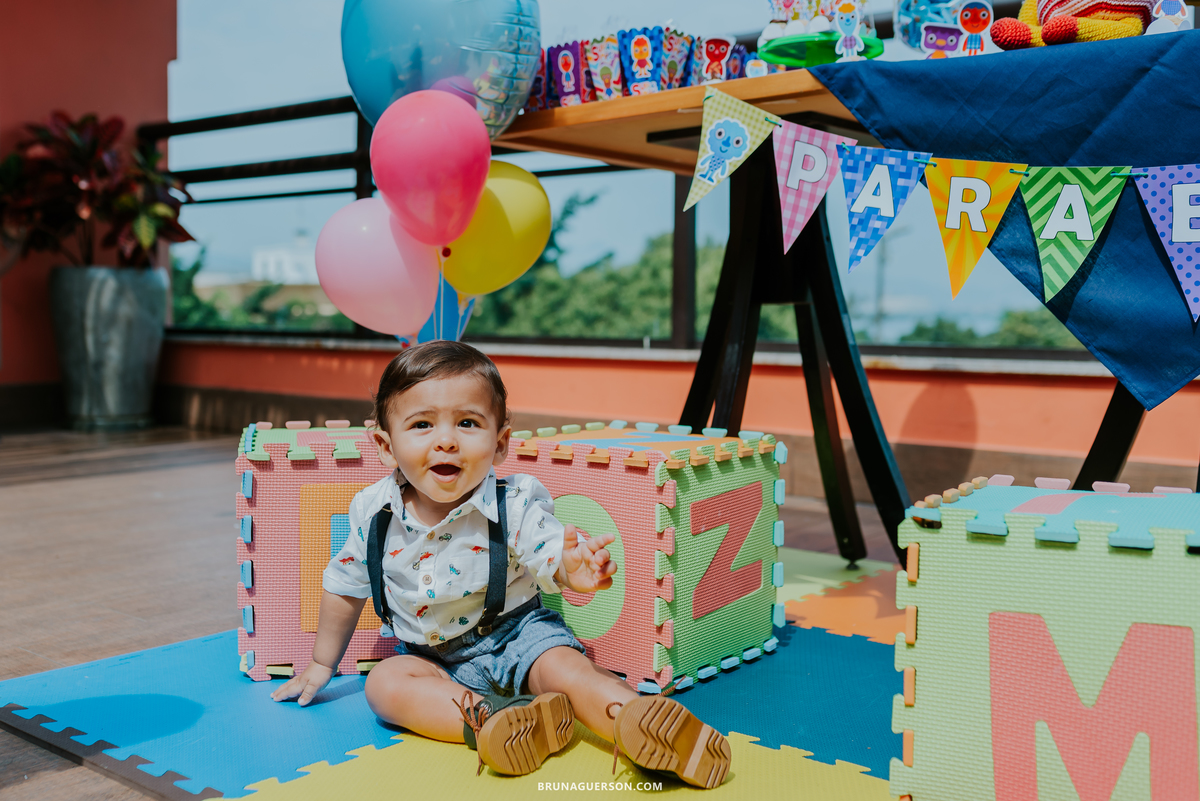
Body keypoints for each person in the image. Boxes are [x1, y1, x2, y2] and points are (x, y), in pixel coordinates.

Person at [271, 341, 731, 788]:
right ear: (386, 446)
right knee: (385, 687)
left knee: (564, 670)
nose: (446, 441)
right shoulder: (374, 513)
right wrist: (320, 663)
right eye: (422, 425)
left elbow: (550, 549)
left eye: (468, 423)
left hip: (518, 635)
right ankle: (498, 724)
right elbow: (344, 588)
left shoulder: (514, 503)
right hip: (431, 660)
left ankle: (634, 720)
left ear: (500, 442)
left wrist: (574, 568)